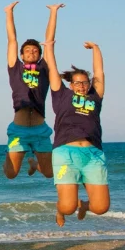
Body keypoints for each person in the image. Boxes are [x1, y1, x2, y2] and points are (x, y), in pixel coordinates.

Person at [44, 32, 109, 227]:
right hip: (66, 153)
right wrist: (48, 47)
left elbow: (99, 73)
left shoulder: (95, 96)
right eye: (77, 82)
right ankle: (61, 208)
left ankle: (85, 205)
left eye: (84, 82)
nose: (81, 85)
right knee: (67, 207)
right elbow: (52, 69)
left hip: (93, 153)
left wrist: (96, 49)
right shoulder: (61, 94)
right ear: (70, 85)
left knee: (101, 208)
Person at [2, 2, 65, 179]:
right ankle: (8, 153)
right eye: (27, 50)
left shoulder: (44, 69)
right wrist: (9, 12)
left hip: (40, 129)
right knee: (11, 174)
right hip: (19, 129)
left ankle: (34, 164)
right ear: (22, 55)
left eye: (35, 50)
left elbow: (49, 42)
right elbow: (12, 40)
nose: (31, 52)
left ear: (39, 55)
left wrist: (53, 12)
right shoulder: (16, 68)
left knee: (49, 173)